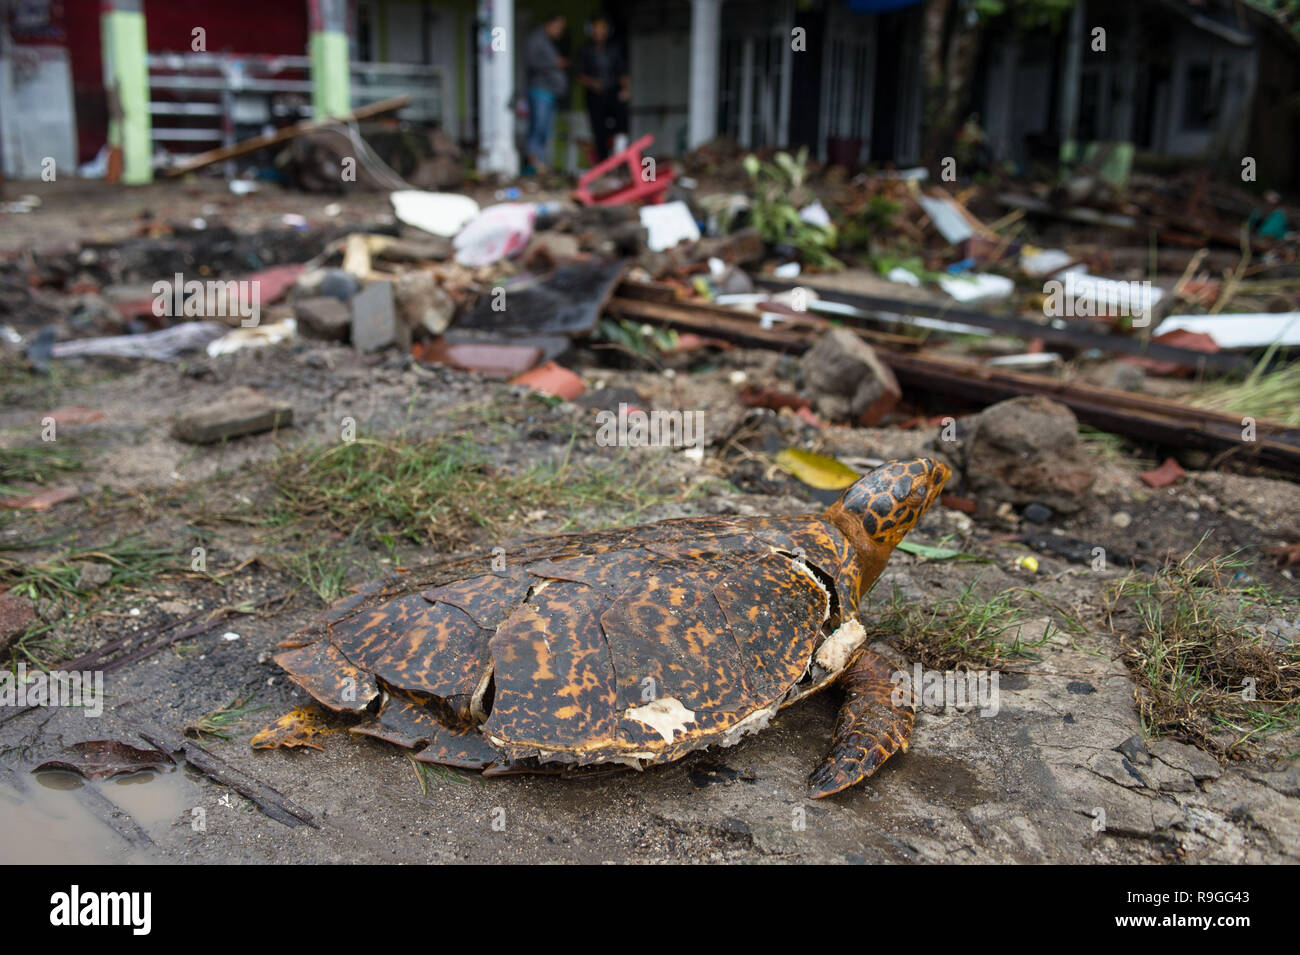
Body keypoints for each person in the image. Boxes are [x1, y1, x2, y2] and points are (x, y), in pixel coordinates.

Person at [576, 16, 628, 163]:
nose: (599, 33)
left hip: (613, 91)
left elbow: (622, 71)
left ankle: (620, 154)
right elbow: (579, 75)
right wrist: (593, 83)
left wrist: (626, 89)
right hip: (594, 96)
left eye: (602, 29)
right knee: (599, 131)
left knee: (621, 121)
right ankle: (603, 163)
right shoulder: (585, 50)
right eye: (596, 30)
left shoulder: (615, 49)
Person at [524, 14, 568, 174]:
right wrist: (554, 63)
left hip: (549, 92)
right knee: (538, 128)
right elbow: (532, 61)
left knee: (545, 131)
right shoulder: (536, 39)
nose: (560, 32)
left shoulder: (548, 42)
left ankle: (540, 163)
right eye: (559, 27)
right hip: (539, 90)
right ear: (550, 23)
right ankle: (534, 164)